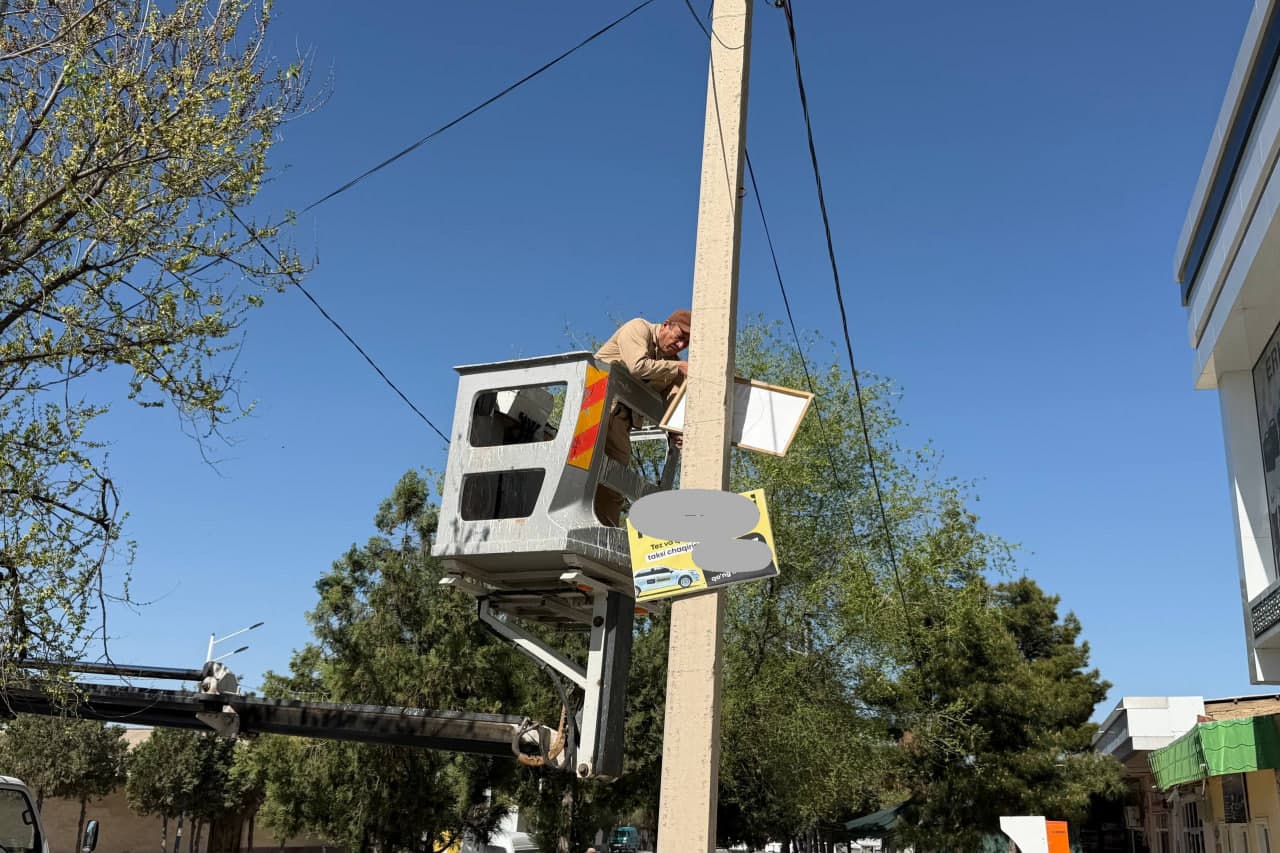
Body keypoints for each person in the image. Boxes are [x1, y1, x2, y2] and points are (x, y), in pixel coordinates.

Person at [592, 309, 691, 525]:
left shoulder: (672, 363)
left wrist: (677, 432)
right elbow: (637, 366)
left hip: (620, 422)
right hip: (594, 410)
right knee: (580, 473)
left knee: (614, 484)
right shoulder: (638, 328)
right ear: (666, 325)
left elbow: (673, 401)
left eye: (686, 343)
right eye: (679, 337)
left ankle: (605, 534)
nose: (680, 345)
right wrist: (677, 367)